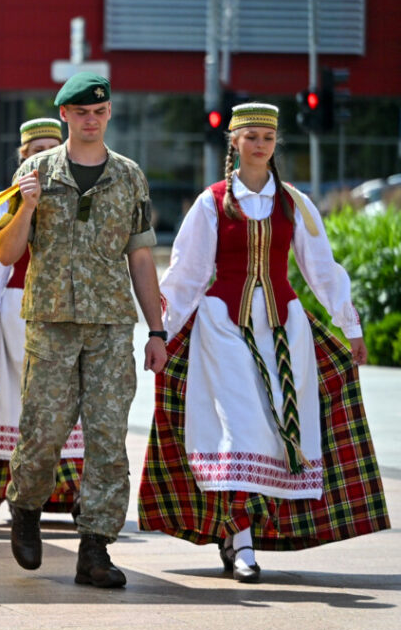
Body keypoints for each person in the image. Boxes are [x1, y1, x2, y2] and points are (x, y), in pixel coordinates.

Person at [140, 103, 387, 581]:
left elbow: (322, 269)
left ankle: (241, 535)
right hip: (222, 329)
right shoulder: (211, 202)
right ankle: (244, 540)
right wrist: (161, 334)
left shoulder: (294, 203)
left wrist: (349, 326)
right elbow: (186, 275)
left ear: (275, 145)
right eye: (251, 136)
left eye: (267, 138)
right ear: (233, 142)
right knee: (242, 428)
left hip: (284, 330)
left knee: (275, 434)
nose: (259, 145)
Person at [0, 72, 166, 588]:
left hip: (112, 325)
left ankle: (95, 546)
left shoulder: (130, 175)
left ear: (108, 114)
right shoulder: (35, 171)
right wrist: (27, 205)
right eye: (81, 112)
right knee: (42, 434)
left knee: (109, 438)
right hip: (51, 322)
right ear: (65, 114)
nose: (91, 120)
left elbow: (140, 255)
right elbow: (7, 252)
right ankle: (25, 506)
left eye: (100, 111)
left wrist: (156, 330)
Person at [0, 118, 85, 511]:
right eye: (38, 151)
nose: (46, 158)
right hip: (19, 307)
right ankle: (23, 485)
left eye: (52, 149)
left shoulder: (75, 194)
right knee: (21, 397)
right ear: (24, 156)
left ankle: (65, 486)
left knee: (68, 395)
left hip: (68, 308)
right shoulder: (10, 198)